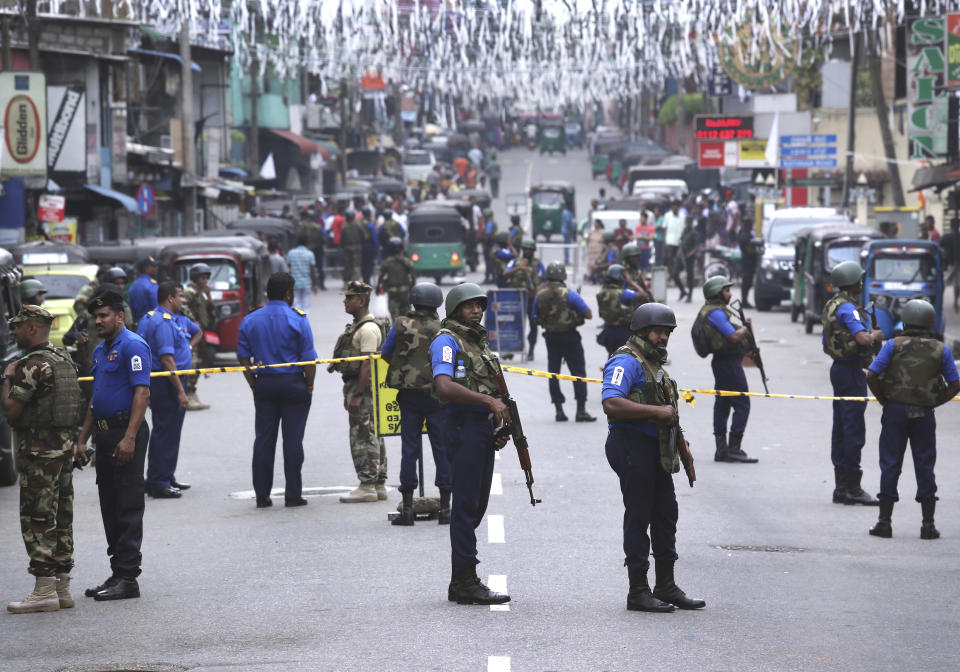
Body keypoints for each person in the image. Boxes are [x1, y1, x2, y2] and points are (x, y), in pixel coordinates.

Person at [601, 302, 705, 613]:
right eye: (658, 331)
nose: (663, 337)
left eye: (667, 332)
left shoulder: (655, 365)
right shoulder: (626, 361)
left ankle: (666, 585)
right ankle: (638, 590)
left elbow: (670, 414)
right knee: (639, 516)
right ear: (643, 331)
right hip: (631, 445)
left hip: (657, 449)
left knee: (665, 515)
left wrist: (683, 450)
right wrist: (656, 412)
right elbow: (611, 402)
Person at [429, 283, 511, 605]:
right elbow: (444, 386)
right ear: (454, 310)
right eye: (469, 306)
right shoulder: (446, 342)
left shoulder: (478, 344)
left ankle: (459, 580)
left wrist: (498, 424)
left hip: (479, 429)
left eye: (479, 305)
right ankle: (465, 581)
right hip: (461, 427)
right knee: (465, 508)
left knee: (476, 506)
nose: (476, 311)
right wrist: (488, 403)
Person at [3, 305, 82, 614]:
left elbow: (11, 412)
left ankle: (44, 589)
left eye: (19, 327)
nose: (15, 332)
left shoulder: (31, 365)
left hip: (39, 452)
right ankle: (62, 587)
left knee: (38, 517)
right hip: (63, 448)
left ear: (32, 329)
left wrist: (6, 377)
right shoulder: (64, 359)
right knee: (61, 514)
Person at [75, 289, 151, 601]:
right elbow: (96, 399)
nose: (98, 321)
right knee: (109, 504)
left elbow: (141, 393)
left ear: (120, 317)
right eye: (96, 316)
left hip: (125, 431)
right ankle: (117, 570)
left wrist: (130, 437)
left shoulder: (133, 345)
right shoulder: (99, 351)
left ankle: (129, 577)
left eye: (104, 315)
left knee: (127, 503)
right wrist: (82, 438)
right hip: (105, 433)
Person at [865, 299, 959, 539]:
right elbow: (955, 383)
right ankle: (928, 525)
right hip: (924, 414)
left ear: (905, 320)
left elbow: (872, 375)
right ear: (930, 322)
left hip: (895, 411)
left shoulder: (892, 346)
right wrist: (934, 403)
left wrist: (885, 400)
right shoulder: (941, 349)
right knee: (925, 465)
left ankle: (884, 523)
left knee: (890, 464)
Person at [237, 272, 317, 508]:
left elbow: (243, 358)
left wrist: (253, 383)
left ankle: (262, 495)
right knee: (293, 441)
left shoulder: (250, 320)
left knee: (263, 439)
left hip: (265, 385)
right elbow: (309, 361)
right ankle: (293, 494)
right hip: (294, 384)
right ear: (289, 293)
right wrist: (309, 384)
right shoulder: (299, 319)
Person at [381, 282, 451, 526]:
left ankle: (408, 508)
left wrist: (404, 369)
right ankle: (445, 508)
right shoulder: (444, 328)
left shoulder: (400, 324)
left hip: (409, 396)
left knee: (409, 449)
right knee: (442, 448)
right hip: (438, 396)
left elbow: (385, 353)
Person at [821, 260, 884, 506]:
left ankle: (841, 486)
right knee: (853, 428)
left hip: (840, 367)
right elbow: (861, 338)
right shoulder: (848, 309)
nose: (861, 283)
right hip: (849, 372)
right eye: (859, 280)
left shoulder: (831, 305)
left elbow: (830, 342)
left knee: (841, 426)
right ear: (852, 283)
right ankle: (852, 488)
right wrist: (875, 336)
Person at [331, 281, 388, 503]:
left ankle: (367, 485)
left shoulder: (367, 329)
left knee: (363, 436)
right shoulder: (360, 326)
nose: (345, 301)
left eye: (349, 298)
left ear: (361, 301)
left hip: (363, 390)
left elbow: (367, 365)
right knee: (373, 434)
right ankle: (378, 484)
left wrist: (357, 395)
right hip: (359, 388)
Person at [137, 282, 191, 499]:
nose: (182, 300)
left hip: (159, 381)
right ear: (170, 298)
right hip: (168, 383)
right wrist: (180, 390)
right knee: (167, 431)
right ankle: (159, 482)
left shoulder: (149, 317)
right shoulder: (165, 323)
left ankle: (163, 475)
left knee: (165, 430)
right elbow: (167, 359)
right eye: (180, 296)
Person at [697, 276, 759, 463]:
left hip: (723, 362)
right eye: (726, 290)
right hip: (728, 364)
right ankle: (733, 448)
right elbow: (732, 336)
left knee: (723, 404)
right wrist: (745, 330)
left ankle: (722, 450)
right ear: (716, 292)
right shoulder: (715, 313)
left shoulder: (713, 310)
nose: (730, 294)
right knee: (742, 404)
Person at [532, 261, 597, 422]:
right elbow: (588, 314)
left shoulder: (539, 295)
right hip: (570, 338)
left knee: (553, 373)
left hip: (551, 339)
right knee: (578, 373)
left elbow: (534, 318)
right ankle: (581, 411)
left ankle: (559, 411)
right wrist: (573, 313)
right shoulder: (570, 294)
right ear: (562, 276)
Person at [182, 263, 216, 411]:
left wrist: (208, 296)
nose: (205, 281)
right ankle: (187, 394)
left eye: (206, 278)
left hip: (199, 332)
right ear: (195, 278)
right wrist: (192, 321)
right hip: (190, 333)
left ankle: (192, 393)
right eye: (202, 277)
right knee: (193, 363)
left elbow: (212, 313)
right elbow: (182, 307)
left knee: (199, 362)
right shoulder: (189, 291)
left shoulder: (200, 293)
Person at [503, 239, 545, 359]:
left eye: (529, 249)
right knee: (515, 324)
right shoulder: (515, 261)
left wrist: (537, 290)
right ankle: (511, 350)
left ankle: (531, 349)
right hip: (516, 298)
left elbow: (546, 278)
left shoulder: (538, 263)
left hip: (532, 299)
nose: (527, 251)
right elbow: (505, 273)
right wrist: (519, 268)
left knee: (533, 324)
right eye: (525, 249)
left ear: (533, 251)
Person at [597, 264, 645, 356]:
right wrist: (631, 282)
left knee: (612, 357)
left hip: (608, 331)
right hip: (623, 331)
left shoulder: (601, 293)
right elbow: (643, 295)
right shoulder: (624, 293)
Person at [377, 237, 416, 320]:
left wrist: (378, 286)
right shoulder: (406, 261)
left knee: (394, 316)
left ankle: (396, 330)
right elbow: (413, 274)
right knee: (406, 315)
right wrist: (413, 286)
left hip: (392, 292)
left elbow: (381, 275)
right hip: (405, 291)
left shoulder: (388, 262)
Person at [286, 233, 318, 314]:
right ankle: (303, 321)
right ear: (307, 242)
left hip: (294, 283)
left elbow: (288, 268)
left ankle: (296, 321)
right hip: (306, 283)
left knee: (295, 304)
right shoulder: (310, 254)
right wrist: (315, 284)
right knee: (306, 305)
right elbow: (312, 271)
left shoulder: (291, 253)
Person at [128, 256, 160, 325]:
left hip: (137, 324)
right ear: (146, 268)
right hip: (151, 323)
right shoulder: (152, 284)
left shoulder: (134, 284)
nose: (157, 268)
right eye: (153, 266)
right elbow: (156, 308)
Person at [738, 217, 761, 308]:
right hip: (748, 262)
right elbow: (749, 250)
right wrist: (759, 253)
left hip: (746, 261)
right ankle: (744, 301)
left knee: (747, 282)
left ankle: (744, 300)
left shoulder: (743, 234)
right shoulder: (746, 235)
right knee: (747, 282)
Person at [675, 216, 699, 302]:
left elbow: (696, 247)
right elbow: (681, 242)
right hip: (681, 255)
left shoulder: (694, 233)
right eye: (686, 222)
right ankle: (682, 291)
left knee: (690, 276)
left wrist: (690, 254)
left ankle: (690, 295)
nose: (687, 224)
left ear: (691, 223)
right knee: (674, 273)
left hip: (689, 257)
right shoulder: (684, 231)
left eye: (688, 222)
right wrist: (679, 253)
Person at [340, 211, 367, 283]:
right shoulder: (358, 225)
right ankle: (356, 282)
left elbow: (342, 239)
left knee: (347, 266)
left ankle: (346, 282)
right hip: (357, 248)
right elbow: (364, 236)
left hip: (347, 248)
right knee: (356, 266)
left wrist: (342, 246)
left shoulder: (344, 227)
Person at [662, 202, 685, 281]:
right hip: (670, 240)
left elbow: (684, 228)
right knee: (670, 258)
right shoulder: (667, 216)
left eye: (676, 207)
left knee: (678, 259)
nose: (675, 209)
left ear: (679, 207)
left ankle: (676, 274)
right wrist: (664, 241)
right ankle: (670, 274)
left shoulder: (682, 216)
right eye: (673, 207)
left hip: (680, 240)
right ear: (671, 208)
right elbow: (664, 229)